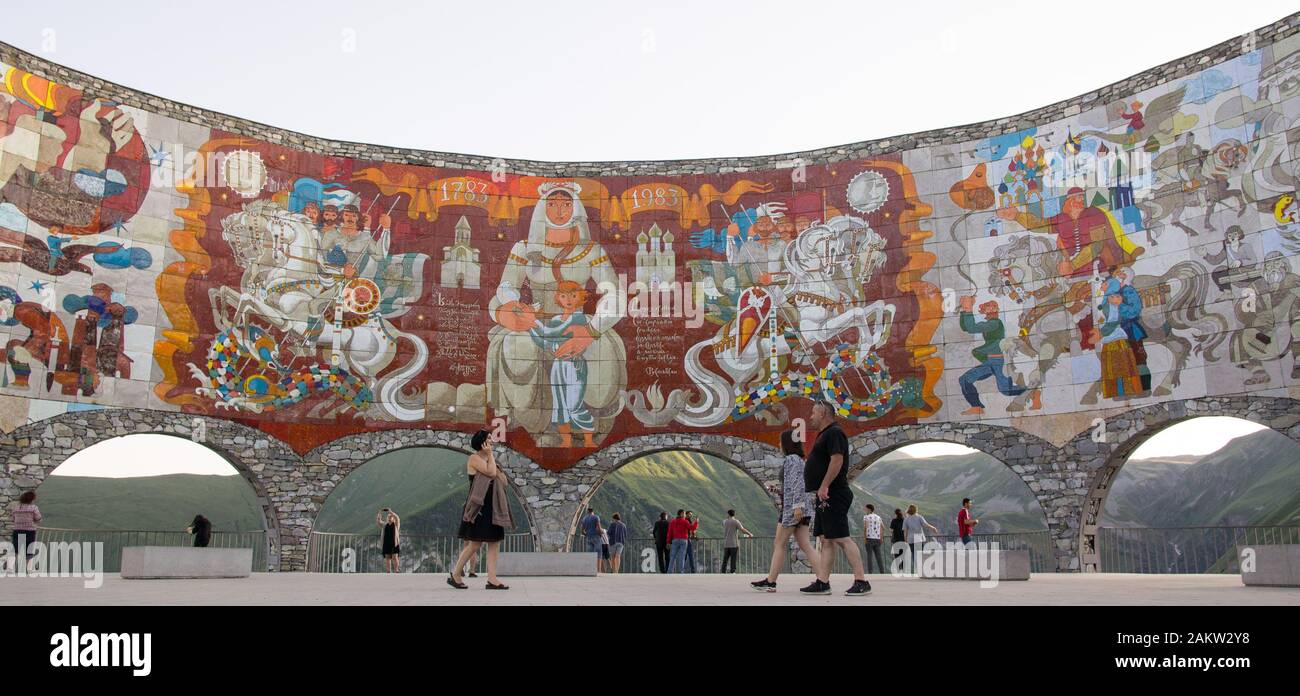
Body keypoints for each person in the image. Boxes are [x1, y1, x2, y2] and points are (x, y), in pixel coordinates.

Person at [799, 400, 871, 596]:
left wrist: (824, 485)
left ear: (823, 413)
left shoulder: (834, 432)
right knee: (826, 540)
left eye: (813, 413)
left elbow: (837, 459)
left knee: (841, 538)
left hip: (833, 493)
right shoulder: (825, 434)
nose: (810, 417)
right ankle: (823, 582)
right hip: (824, 496)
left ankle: (861, 581)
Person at [752, 429, 821, 592]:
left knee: (779, 543)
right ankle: (822, 579)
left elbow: (798, 483)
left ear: (786, 443)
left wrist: (797, 505)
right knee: (806, 545)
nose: (778, 444)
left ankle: (771, 581)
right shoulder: (799, 460)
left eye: (780, 441)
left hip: (793, 509)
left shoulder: (791, 459)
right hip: (800, 508)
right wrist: (777, 491)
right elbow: (792, 485)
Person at [449, 429, 513, 590]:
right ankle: (456, 574)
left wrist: (492, 458)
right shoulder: (474, 458)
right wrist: (490, 455)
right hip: (479, 507)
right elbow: (491, 472)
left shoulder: (492, 460)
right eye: (489, 438)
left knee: (494, 542)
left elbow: (503, 480)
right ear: (482, 442)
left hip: (494, 506)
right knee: (475, 544)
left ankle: (492, 578)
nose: (492, 441)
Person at [957, 296, 1041, 415]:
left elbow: (972, 328)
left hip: (998, 361)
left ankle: (1032, 392)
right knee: (965, 379)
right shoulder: (989, 324)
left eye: (989, 308)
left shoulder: (995, 324)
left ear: (995, 310)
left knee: (1006, 391)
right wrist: (964, 310)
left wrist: (968, 308)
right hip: (990, 361)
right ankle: (976, 407)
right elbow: (966, 328)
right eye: (986, 307)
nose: (987, 310)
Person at [902, 504, 939, 574]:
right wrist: (933, 528)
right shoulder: (919, 517)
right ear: (916, 510)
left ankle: (917, 569)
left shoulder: (906, 519)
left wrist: (905, 540)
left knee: (913, 554)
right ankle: (922, 569)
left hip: (910, 539)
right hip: (919, 538)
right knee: (920, 554)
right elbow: (925, 524)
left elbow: (905, 531)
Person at [10, 491, 41, 571]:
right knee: (29, 550)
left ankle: (10, 568)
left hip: (17, 530)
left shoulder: (16, 508)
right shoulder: (33, 508)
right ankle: (29, 569)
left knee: (15, 550)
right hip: (29, 531)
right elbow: (38, 518)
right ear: (31, 499)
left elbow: (13, 519)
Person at [720, 510, 752, 574]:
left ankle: (723, 571)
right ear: (734, 514)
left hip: (726, 543)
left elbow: (723, 523)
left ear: (728, 514)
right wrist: (749, 534)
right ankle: (732, 571)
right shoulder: (736, 521)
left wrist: (727, 518)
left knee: (725, 558)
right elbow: (742, 530)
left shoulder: (725, 521)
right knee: (733, 558)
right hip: (734, 543)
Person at [862, 504, 886, 574]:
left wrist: (865, 538)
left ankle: (870, 572)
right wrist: (881, 538)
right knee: (878, 556)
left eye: (865, 509)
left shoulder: (866, 517)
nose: (864, 510)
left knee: (869, 556)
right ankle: (882, 572)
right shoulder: (878, 517)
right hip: (877, 539)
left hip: (869, 538)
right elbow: (883, 528)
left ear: (869, 509)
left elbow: (865, 528)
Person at [578, 507, 603, 573]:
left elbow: (582, 531)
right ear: (593, 511)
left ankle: (591, 570)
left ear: (587, 511)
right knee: (598, 554)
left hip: (589, 537)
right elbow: (598, 528)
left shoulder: (584, 518)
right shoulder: (596, 517)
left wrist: (587, 534)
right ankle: (598, 571)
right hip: (596, 537)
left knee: (590, 554)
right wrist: (601, 534)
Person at [667, 510, 692, 574]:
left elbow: (670, 533)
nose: (685, 515)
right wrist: (697, 522)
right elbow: (692, 528)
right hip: (683, 540)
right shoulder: (685, 521)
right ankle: (681, 571)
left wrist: (668, 542)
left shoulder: (673, 521)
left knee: (673, 556)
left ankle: (669, 571)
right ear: (681, 514)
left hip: (675, 540)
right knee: (682, 556)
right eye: (684, 513)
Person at [378, 508, 400, 573]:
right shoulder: (385, 525)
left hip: (394, 543)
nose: (389, 518)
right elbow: (379, 521)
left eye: (391, 517)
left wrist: (391, 512)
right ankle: (388, 570)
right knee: (387, 558)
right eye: (388, 517)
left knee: (395, 557)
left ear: (393, 518)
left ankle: (396, 570)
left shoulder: (396, 525)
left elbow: (397, 518)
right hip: (386, 543)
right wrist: (379, 513)